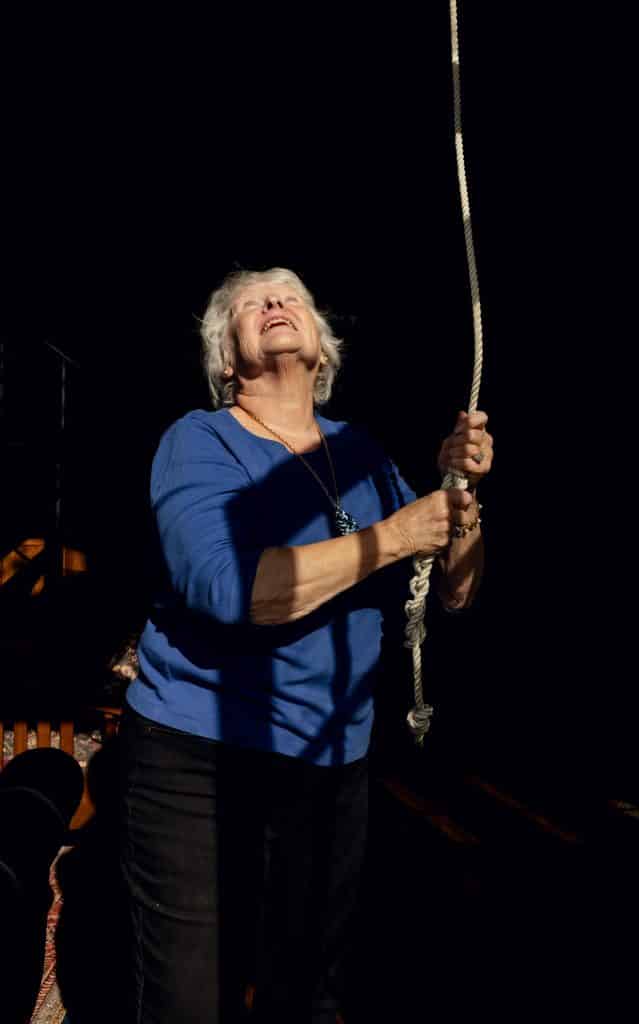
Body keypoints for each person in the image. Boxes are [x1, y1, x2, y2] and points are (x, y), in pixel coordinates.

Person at [118, 266, 494, 1023]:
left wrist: (458, 506)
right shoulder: (200, 440)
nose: (274, 303)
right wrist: (395, 534)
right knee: (191, 998)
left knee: (306, 995)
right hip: (199, 756)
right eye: (250, 303)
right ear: (227, 359)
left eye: (290, 295)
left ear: (322, 350)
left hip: (329, 763)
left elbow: (454, 592)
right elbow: (233, 591)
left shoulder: (361, 454)